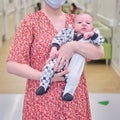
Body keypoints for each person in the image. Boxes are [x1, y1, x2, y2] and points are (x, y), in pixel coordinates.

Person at [7, 0, 104, 119]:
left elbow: (99, 52)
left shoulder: (76, 21)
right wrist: (46, 76)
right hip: (41, 100)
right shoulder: (31, 22)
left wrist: (73, 46)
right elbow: (12, 64)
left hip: (73, 99)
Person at [36, 13, 104, 101]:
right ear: (74, 26)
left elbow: (99, 44)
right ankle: (43, 85)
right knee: (48, 67)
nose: (84, 24)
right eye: (80, 22)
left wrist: (92, 35)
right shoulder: (68, 32)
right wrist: (54, 48)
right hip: (61, 58)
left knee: (74, 76)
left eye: (87, 23)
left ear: (92, 27)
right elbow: (58, 38)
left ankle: (68, 92)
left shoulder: (93, 36)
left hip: (76, 62)